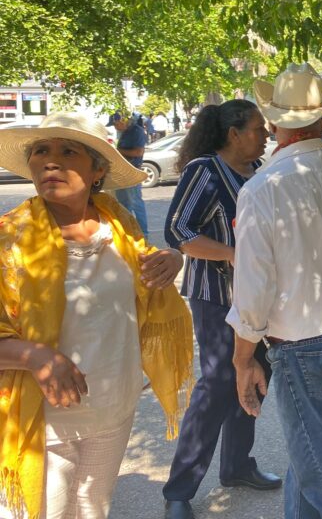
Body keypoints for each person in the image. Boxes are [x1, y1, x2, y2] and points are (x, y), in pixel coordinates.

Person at [0, 112, 193, 519]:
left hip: (113, 406)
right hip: (44, 418)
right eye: (40, 151)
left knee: (93, 511)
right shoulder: (9, 240)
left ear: (97, 170)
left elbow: (145, 276)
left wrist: (171, 260)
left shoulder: (117, 223)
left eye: (68, 151)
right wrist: (36, 356)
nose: (50, 162)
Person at [228, 63, 322, 519]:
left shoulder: (263, 187)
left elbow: (253, 287)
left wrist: (242, 358)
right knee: (310, 451)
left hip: (304, 344)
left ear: (274, 124)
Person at [162, 100, 279, 519]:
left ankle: (237, 466)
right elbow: (178, 231)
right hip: (215, 296)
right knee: (217, 383)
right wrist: (232, 254)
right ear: (233, 133)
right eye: (257, 129)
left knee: (254, 376)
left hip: (259, 296)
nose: (265, 135)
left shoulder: (261, 169)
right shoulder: (205, 171)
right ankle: (179, 490)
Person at [111, 112, 149, 234]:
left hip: (132, 171)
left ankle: (143, 234)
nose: (115, 127)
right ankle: (128, 233)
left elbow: (138, 152)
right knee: (123, 205)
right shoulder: (125, 132)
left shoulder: (136, 131)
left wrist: (116, 151)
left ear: (123, 121)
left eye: (115, 123)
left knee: (135, 203)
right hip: (122, 171)